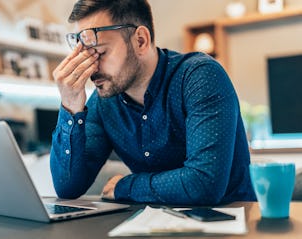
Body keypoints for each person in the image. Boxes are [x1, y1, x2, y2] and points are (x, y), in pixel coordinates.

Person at [50, 0, 256, 205]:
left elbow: (203, 184)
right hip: (153, 226)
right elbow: (67, 187)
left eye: (101, 53)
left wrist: (127, 186)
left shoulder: (200, 77)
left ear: (140, 40)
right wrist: (70, 106)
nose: (92, 68)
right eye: (86, 55)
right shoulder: (105, 102)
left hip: (229, 225)